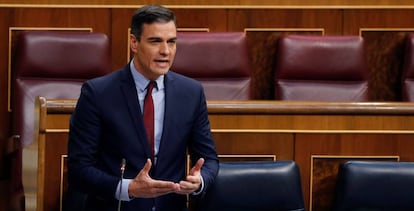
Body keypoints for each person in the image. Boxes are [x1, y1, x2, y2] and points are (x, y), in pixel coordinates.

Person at [67, 4, 219, 211]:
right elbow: (79, 170)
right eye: (155, 41)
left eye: (171, 42)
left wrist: (199, 181)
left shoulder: (191, 93)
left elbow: (209, 159)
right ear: (134, 43)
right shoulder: (97, 93)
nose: (165, 51)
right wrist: (128, 188)